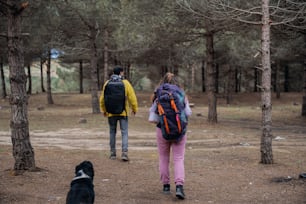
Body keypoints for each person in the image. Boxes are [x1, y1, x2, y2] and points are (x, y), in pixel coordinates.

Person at [148, 72, 192, 200]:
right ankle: (179, 186)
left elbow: (152, 118)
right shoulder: (181, 93)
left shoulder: (158, 94)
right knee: (178, 158)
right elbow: (188, 112)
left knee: (163, 158)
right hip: (180, 131)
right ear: (176, 82)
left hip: (162, 130)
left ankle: (166, 186)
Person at [99, 66, 138, 161]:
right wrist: (134, 108)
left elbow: (102, 99)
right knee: (124, 132)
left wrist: (104, 110)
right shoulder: (125, 83)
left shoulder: (107, 83)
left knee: (112, 132)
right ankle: (124, 153)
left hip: (111, 113)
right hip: (123, 113)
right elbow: (132, 98)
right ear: (121, 72)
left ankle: (112, 154)